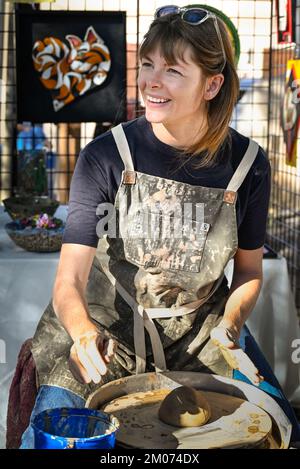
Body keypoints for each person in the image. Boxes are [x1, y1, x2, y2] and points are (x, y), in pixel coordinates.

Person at [20, 5, 299, 447]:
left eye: (172, 70)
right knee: (57, 437)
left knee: (283, 430)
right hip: (105, 334)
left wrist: (231, 327)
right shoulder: (105, 157)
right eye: (147, 64)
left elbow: (248, 274)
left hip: (205, 336)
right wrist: (82, 332)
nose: (151, 81)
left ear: (211, 84)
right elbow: (68, 279)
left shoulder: (249, 167)